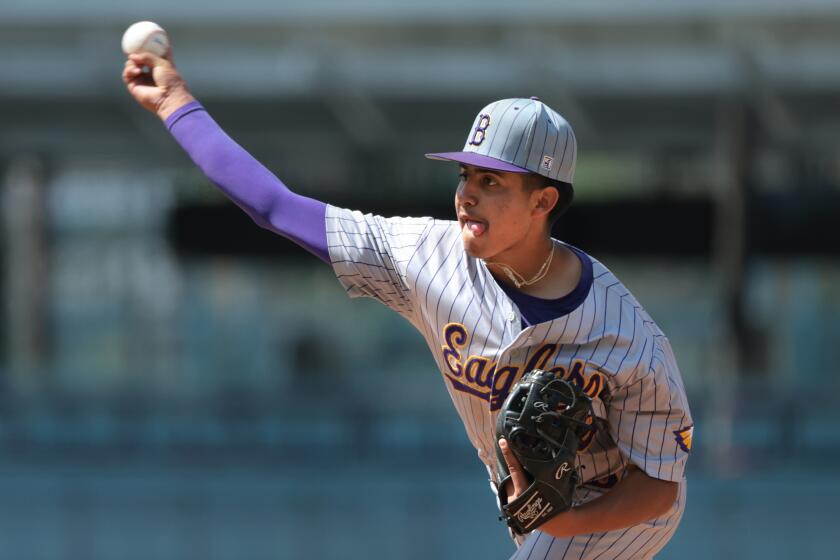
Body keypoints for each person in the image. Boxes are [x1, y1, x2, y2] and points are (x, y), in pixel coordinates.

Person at [122, 47, 693, 559]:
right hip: (537, 520)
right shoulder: (426, 256)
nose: (467, 192)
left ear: (543, 199)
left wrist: (570, 524)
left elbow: (661, 486)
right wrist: (177, 102)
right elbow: (276, 207)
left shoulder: (624, 334)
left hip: (619, 510)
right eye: (466, 173)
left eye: (493, 181)